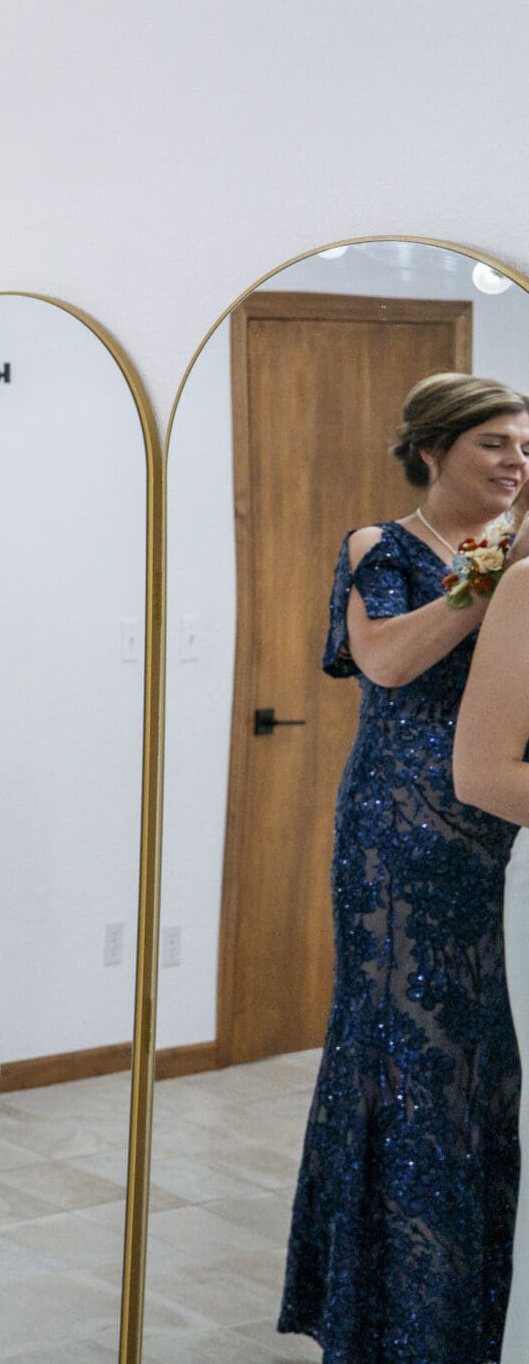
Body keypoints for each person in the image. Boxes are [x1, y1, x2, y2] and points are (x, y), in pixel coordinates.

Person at [288, 371, 529, 1360]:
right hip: (396, 830)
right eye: (496, 445)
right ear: (432, 449)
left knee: (476, 1054)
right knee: (400, 1050)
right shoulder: (376, 546)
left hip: (489, 827)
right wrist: (489, 571)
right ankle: (387, 1312)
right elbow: (384, 662)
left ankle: (459, 1300)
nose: (517, 461)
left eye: (524, 446)